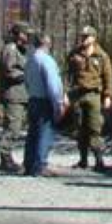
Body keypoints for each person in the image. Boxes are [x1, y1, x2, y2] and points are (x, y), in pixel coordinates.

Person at [65, 25, 112, 170]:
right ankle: (83, 160)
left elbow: (108, 77)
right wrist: (66, 94)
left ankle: (99, 160)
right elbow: (68, 75)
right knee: (80, 127)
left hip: (94, 95)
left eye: (87, 37)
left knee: (95, 127)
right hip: (78, 94)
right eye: (82, 36)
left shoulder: (102, 56)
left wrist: (108, 96)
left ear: (94, 38)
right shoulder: (75, 54)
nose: (84, 39)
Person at [22, 30, 66, 177]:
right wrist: (58, 103)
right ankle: (40, 165)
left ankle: (29, 164)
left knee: (32, 134)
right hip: (44, 101)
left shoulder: (30, 60)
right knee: (44, 133)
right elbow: (53, 85)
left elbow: (26, 82)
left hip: (33, 99)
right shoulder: (47, 61)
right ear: (48, 44)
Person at [0, 22, 30, 174]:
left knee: (17, 127)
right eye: (25, 33)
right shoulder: (10, 49)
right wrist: (24, 76)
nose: (27, 36)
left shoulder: (21, 50)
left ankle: (7, 158)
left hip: (21, 95)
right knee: (12, 128)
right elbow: (9, 70)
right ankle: (5, 158)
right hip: (13, 94)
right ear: (18, 34)